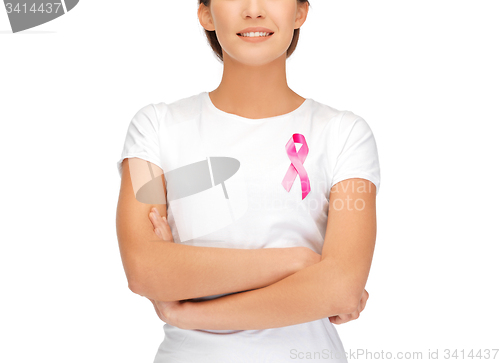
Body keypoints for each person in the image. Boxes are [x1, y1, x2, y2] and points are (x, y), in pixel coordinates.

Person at [116, 0, 381, 362]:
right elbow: (144, 270)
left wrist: (190, 310)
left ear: (301, 11)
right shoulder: (154, 128)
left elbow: (341, 289)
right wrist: (299, 263)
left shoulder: (345, 134)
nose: (254, 10)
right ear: (206, 13)